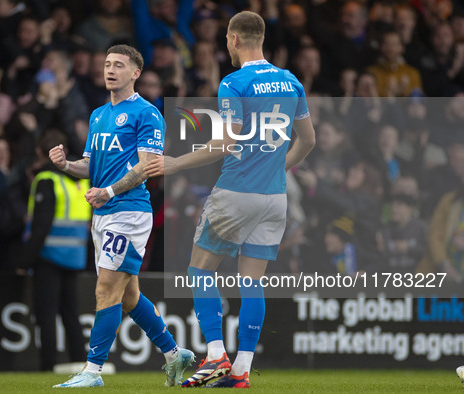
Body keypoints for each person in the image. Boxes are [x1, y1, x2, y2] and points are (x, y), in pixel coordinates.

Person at [145, 11, 316, 388]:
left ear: (234, 40)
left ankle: (217, 353)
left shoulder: (234, 83)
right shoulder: (291, 81)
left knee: (199, 270)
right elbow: (308, 141)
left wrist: (174, 163)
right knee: (251, 281)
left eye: (226, 39)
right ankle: (241, 370)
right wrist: (277, 169)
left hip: (237, 192)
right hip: (275, 198)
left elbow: (226, 143)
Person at [48, 44, 194, 388]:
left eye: (118, 65)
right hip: (104, 213)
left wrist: (109, 191)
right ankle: (175, 355)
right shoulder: (99, 115)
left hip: (129, 212)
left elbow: (147, 166)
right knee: (128, 296)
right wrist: (66, 165)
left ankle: (92, 371)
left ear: (135, 74)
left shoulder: (146, 113)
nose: (110, 70)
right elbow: (91, 166)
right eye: (107, 64)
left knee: (106, 288)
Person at [18, 130, 91, 371]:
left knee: (46, 314)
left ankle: (48, 365)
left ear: (41, 152)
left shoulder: (47, 179)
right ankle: (80, 362)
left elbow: (41, 227)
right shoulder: (80, 179)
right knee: (71, 314)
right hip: (75, 256)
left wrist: (24, 261)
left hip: (49, 256)